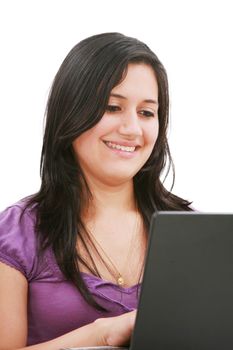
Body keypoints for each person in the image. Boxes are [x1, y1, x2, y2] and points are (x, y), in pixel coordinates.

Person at [0, 32, 192, 350]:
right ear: (71, 112)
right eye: (113, 107)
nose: (132, 129)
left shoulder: (195, 232)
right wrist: (100, 335)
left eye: (146, 113)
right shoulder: (17, 233)